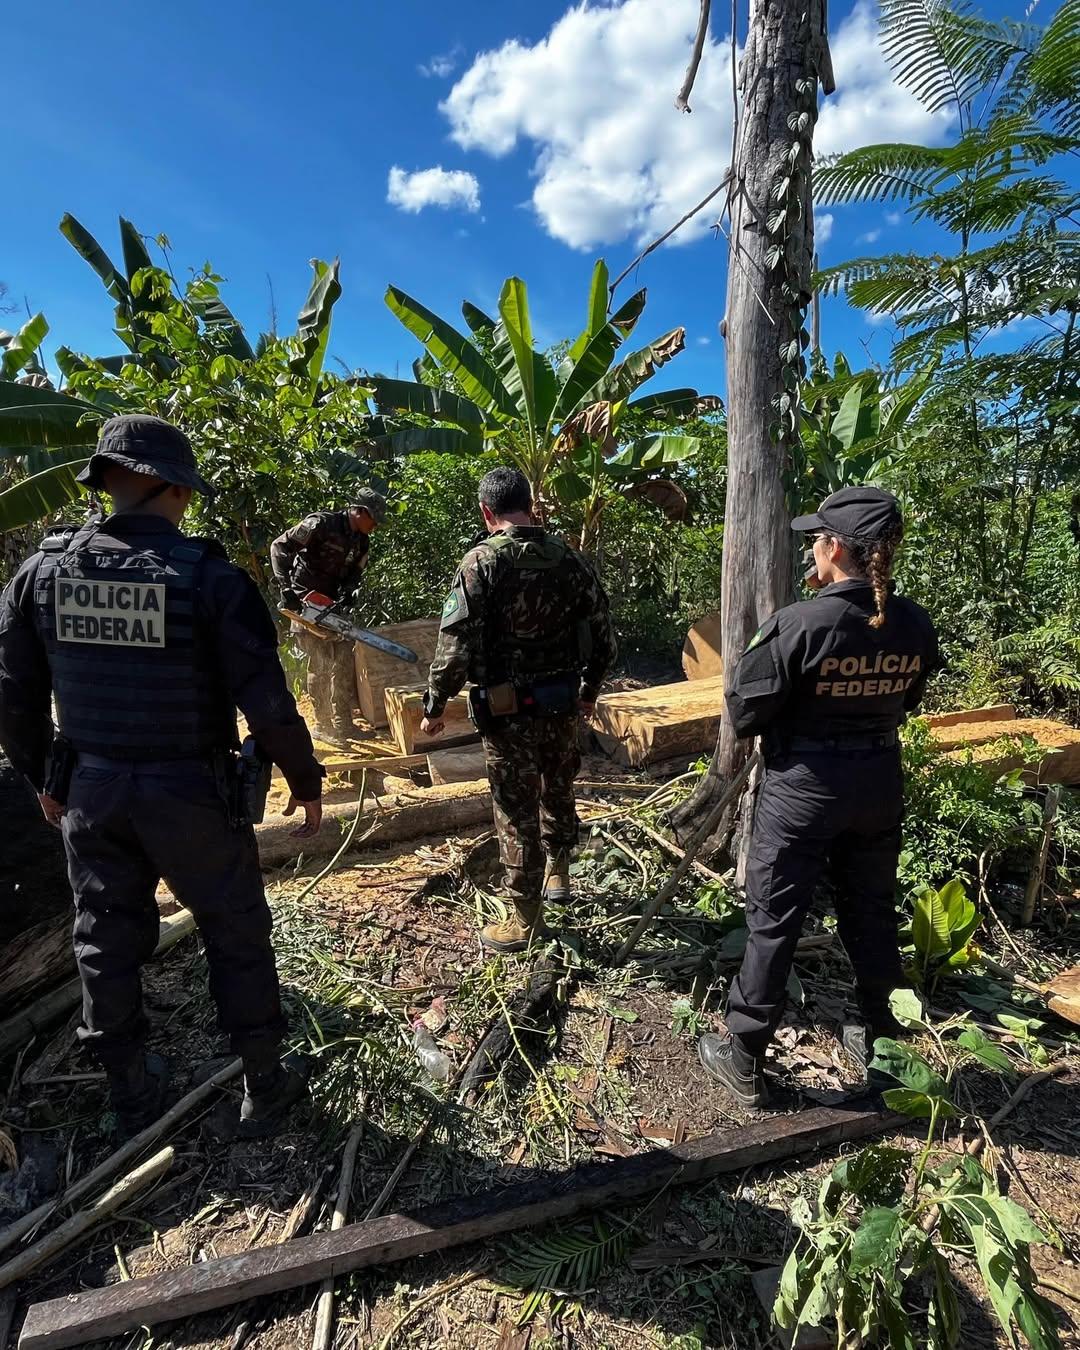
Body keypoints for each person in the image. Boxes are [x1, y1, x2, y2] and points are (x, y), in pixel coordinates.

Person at [0, 415, 325, 1139]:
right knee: (235, 928)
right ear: (176, 488)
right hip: (193, 798)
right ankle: (263, 1085)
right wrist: (306, 780)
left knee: (103, 938)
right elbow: (268, 706)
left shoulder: (42, 574)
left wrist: (41, 780)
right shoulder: (208, 578)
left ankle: (129, 1093)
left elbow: (12, 695)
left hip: (91, 791)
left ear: (107, 483)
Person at [697, 486, 940, 1108]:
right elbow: (907, 698)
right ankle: (884, 1046)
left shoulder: (800, 623)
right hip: (878, 782)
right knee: (871, 911)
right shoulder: (913, 622)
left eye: (816, 538)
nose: (812, 546)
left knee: (773, 920)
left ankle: (744, 1053)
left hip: (803, 789)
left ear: (835, 548)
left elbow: (745, 711)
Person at [420, 468, 617, 952]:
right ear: (529, 505)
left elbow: (455, 645)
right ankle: (559, 877)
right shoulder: (573, 560)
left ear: (487, 512)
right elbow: (605, 640)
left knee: (514, 808)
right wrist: (589, 690)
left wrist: (435, 703)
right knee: (559, 787)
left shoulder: (481, 562)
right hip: (563, 705)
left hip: (507, 713)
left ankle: (526, 920)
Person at [270, 490, 387, 742]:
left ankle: (343, 724)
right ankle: (322, 725)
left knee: (344, 661)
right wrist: (286, 588)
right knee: (320, 663)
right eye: (374, 519)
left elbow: (356, 572)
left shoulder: (362, 541)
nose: (375, 526)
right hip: (305, 601)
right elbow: (279, 547)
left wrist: (350, 591)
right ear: (359, 511)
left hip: (333, 606)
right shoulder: (321, 524)